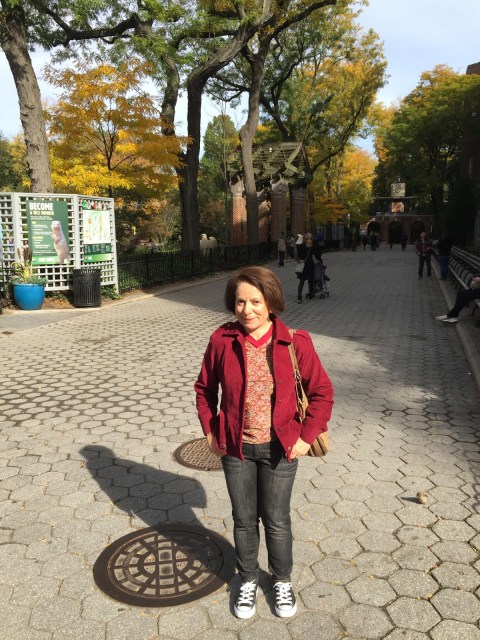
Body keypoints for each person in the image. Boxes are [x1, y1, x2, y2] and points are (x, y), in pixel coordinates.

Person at [194, 266, 334, 620]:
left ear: (271, 302)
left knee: (276, 519)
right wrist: (210, 430)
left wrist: (304, 438)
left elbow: (322, 393)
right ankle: (247, 578)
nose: (247, 310)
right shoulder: (222, 340)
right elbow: (204, 389)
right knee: (243, 519)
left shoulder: (296, 342)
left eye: (255, 301)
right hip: (236, 449)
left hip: (281, 450)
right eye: (240, 302)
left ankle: (282, 580)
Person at [296, 232, 323, 303]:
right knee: (310, 281)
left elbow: (299, 256)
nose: (309, 240)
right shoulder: (312, 246)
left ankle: (299, 297)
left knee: (302, 282)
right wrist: (321, 262)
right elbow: (317, 256)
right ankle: (311, 295)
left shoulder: (301, 246)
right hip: (310, 265)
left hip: (304, 266)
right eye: (310, 238)